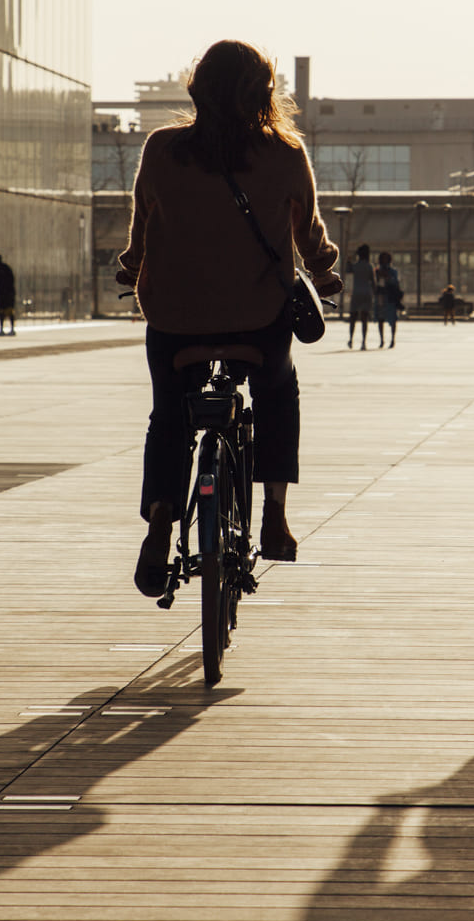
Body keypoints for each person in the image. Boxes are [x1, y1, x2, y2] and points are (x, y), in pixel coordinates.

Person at [116, 39, 342, 592]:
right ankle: (274, 513)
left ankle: (161, 520)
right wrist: (324, 269)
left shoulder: (162, 148)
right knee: (276, 393)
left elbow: (144, 223)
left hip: (173, 316)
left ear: (197, 90)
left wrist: (132, 266)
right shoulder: (284, 152)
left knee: (169, 417)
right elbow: (308, 231)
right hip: (257, 317)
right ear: (263, 93)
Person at [347, 244, 376, 350]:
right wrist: (375, 293)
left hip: (356, 293)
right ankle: (363, 341)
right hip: (367, 293)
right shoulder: (369, 266)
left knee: (353, 318)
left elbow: (347, 270)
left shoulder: (355, 265)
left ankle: (351, 339)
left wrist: (352, 257)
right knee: (364, 319)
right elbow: (373, 282)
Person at [374, 251, 402, 348]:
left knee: (393, 319)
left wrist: (388, 277)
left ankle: (392, 339)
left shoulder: (393, 271)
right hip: (381, 296)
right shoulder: (377, 270)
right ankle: (382, 340)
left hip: (391, 296)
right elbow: (375, 283)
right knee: (381, 319)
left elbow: (396, 282)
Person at [0, 253, 17, 335]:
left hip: (8, 293)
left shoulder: (4, 269)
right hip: (2, 293)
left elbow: (11, 280)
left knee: (9, 311)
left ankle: (11, 329)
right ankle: (3, 329)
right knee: (1, 311)